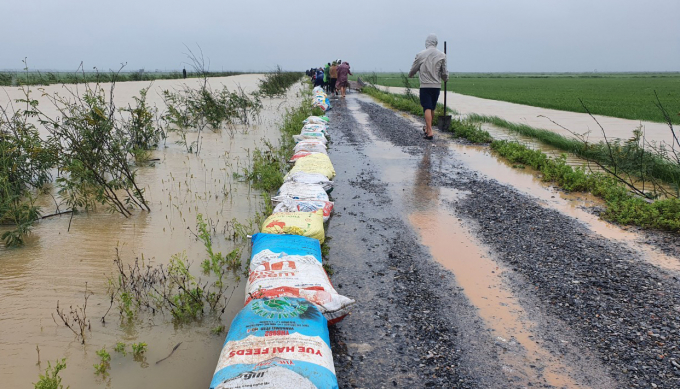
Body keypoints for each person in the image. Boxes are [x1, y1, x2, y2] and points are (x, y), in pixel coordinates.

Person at [409, 33, 448, 140]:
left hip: (425, 85)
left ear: (427, 42)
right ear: (436, 43)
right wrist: (445, 79)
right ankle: (427, 128)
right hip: (436, 86)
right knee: (432, 107)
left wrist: (411, 75)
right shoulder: (442, 55)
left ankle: (430, 131)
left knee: (427, 107)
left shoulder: (421, 54)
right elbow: (444, 72)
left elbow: (414, 68)